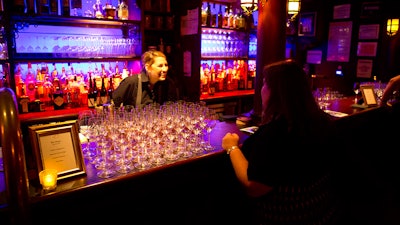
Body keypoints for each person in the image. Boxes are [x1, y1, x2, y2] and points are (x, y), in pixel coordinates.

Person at [222, 59, 343, 225]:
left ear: (277, 92)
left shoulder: (277, 132)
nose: (261, 90)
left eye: (265, 84)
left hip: (284, 217)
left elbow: (254, 186)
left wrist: (232, 147)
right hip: (321, 212)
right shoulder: (321, 121)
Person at [112, 50, 179, 108]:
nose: (165, 69)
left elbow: (173, 108)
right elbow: (112, 105)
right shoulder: (131, 82)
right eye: (160, 66)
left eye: (166, 65)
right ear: (147, 67)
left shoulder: (168, 84)